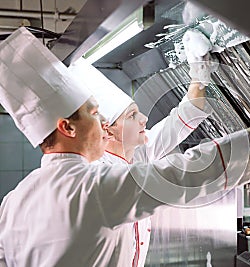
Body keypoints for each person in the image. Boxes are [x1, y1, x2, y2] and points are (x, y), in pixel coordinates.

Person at [0, 27, 250, 266]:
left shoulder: (13, 202)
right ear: (67, 127)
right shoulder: (90, 189)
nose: (101, 123)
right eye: (93, 113)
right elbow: (191, 172)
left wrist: (199, 71)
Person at [68, 29, 215, 265]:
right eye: (132, 115)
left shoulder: (140, 153)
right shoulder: (96, 174)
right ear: (107, 130)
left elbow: (186, 115)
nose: (144, 119)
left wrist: (199, 71)